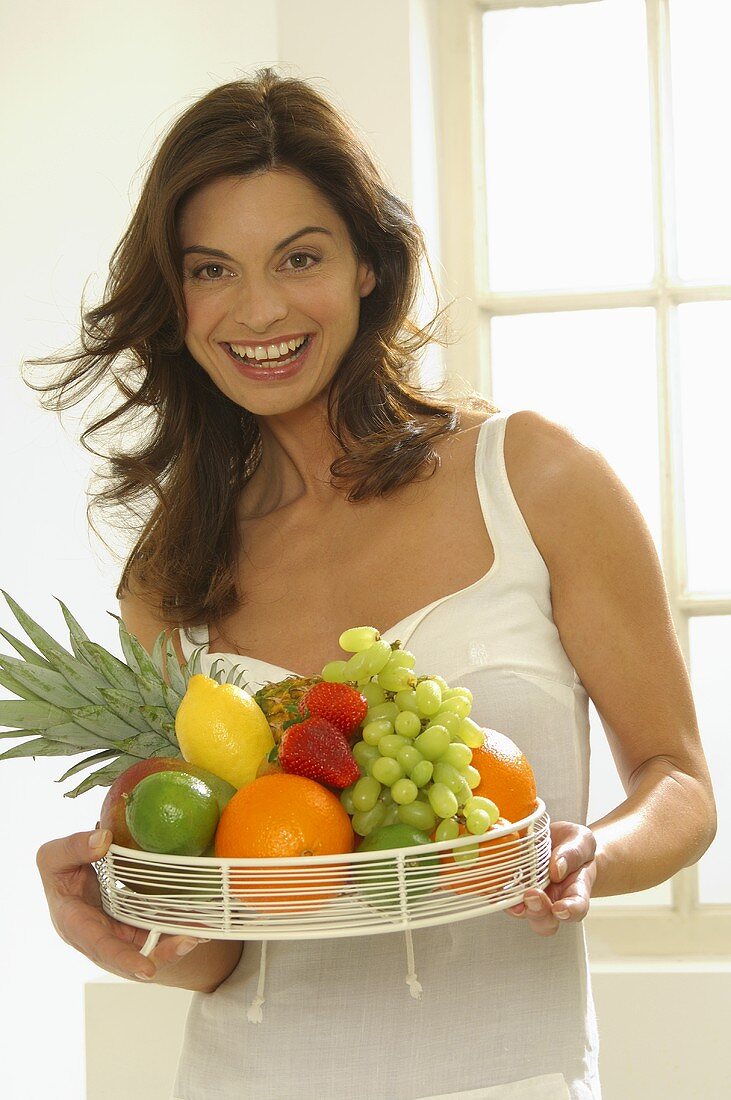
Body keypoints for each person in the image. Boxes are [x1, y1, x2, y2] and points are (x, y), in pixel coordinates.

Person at [31, 69, 716, 1100]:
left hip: (512, 1078)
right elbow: (221, 946)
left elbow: (680, 780)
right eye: (211, 268)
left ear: (365, 265)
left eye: (297, 257)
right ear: (176, 302)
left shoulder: (532, 478)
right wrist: (120, 920)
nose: (257, 307)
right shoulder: (171, 576)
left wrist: (590, 853)